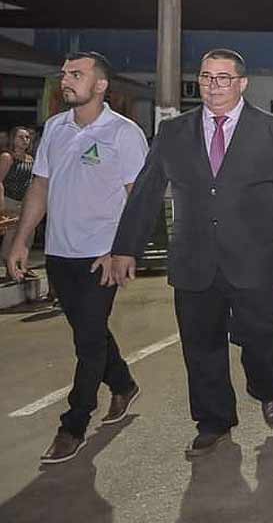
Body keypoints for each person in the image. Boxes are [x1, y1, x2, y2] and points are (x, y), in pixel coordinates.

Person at [109, 48, 273, 459]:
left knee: (264, 338)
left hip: (257, 259)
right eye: (206, 77)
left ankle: (266, 387)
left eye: (223, 78)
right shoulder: (174, 133)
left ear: (242, 83)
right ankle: (213, 421)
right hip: (194, 259)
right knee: (200, 345)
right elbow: (147, 193)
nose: (214, 86)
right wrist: (125, 248)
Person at [5, 52, 147, 464]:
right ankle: (122, 383)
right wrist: (20, 239)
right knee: (91, 330)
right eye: (65, 74)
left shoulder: (124, 134)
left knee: (87, 340)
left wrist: (121, 250)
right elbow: (40, 187)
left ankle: (75, 423)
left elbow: (138, 199)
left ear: (100, 85)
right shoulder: (54, 129)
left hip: (100, 256)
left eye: (76, 74)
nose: (66, 80)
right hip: (59, 253)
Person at [1, 126, 35, 280]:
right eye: (21, 137)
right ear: (13, 138)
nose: (25, 140)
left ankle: (23, 265)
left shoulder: (30, 159)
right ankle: (9, 267)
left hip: (25, 202)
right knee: (11, 235)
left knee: (28, 234)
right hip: (9, 199)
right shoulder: (7, 157)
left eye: (27, 137)